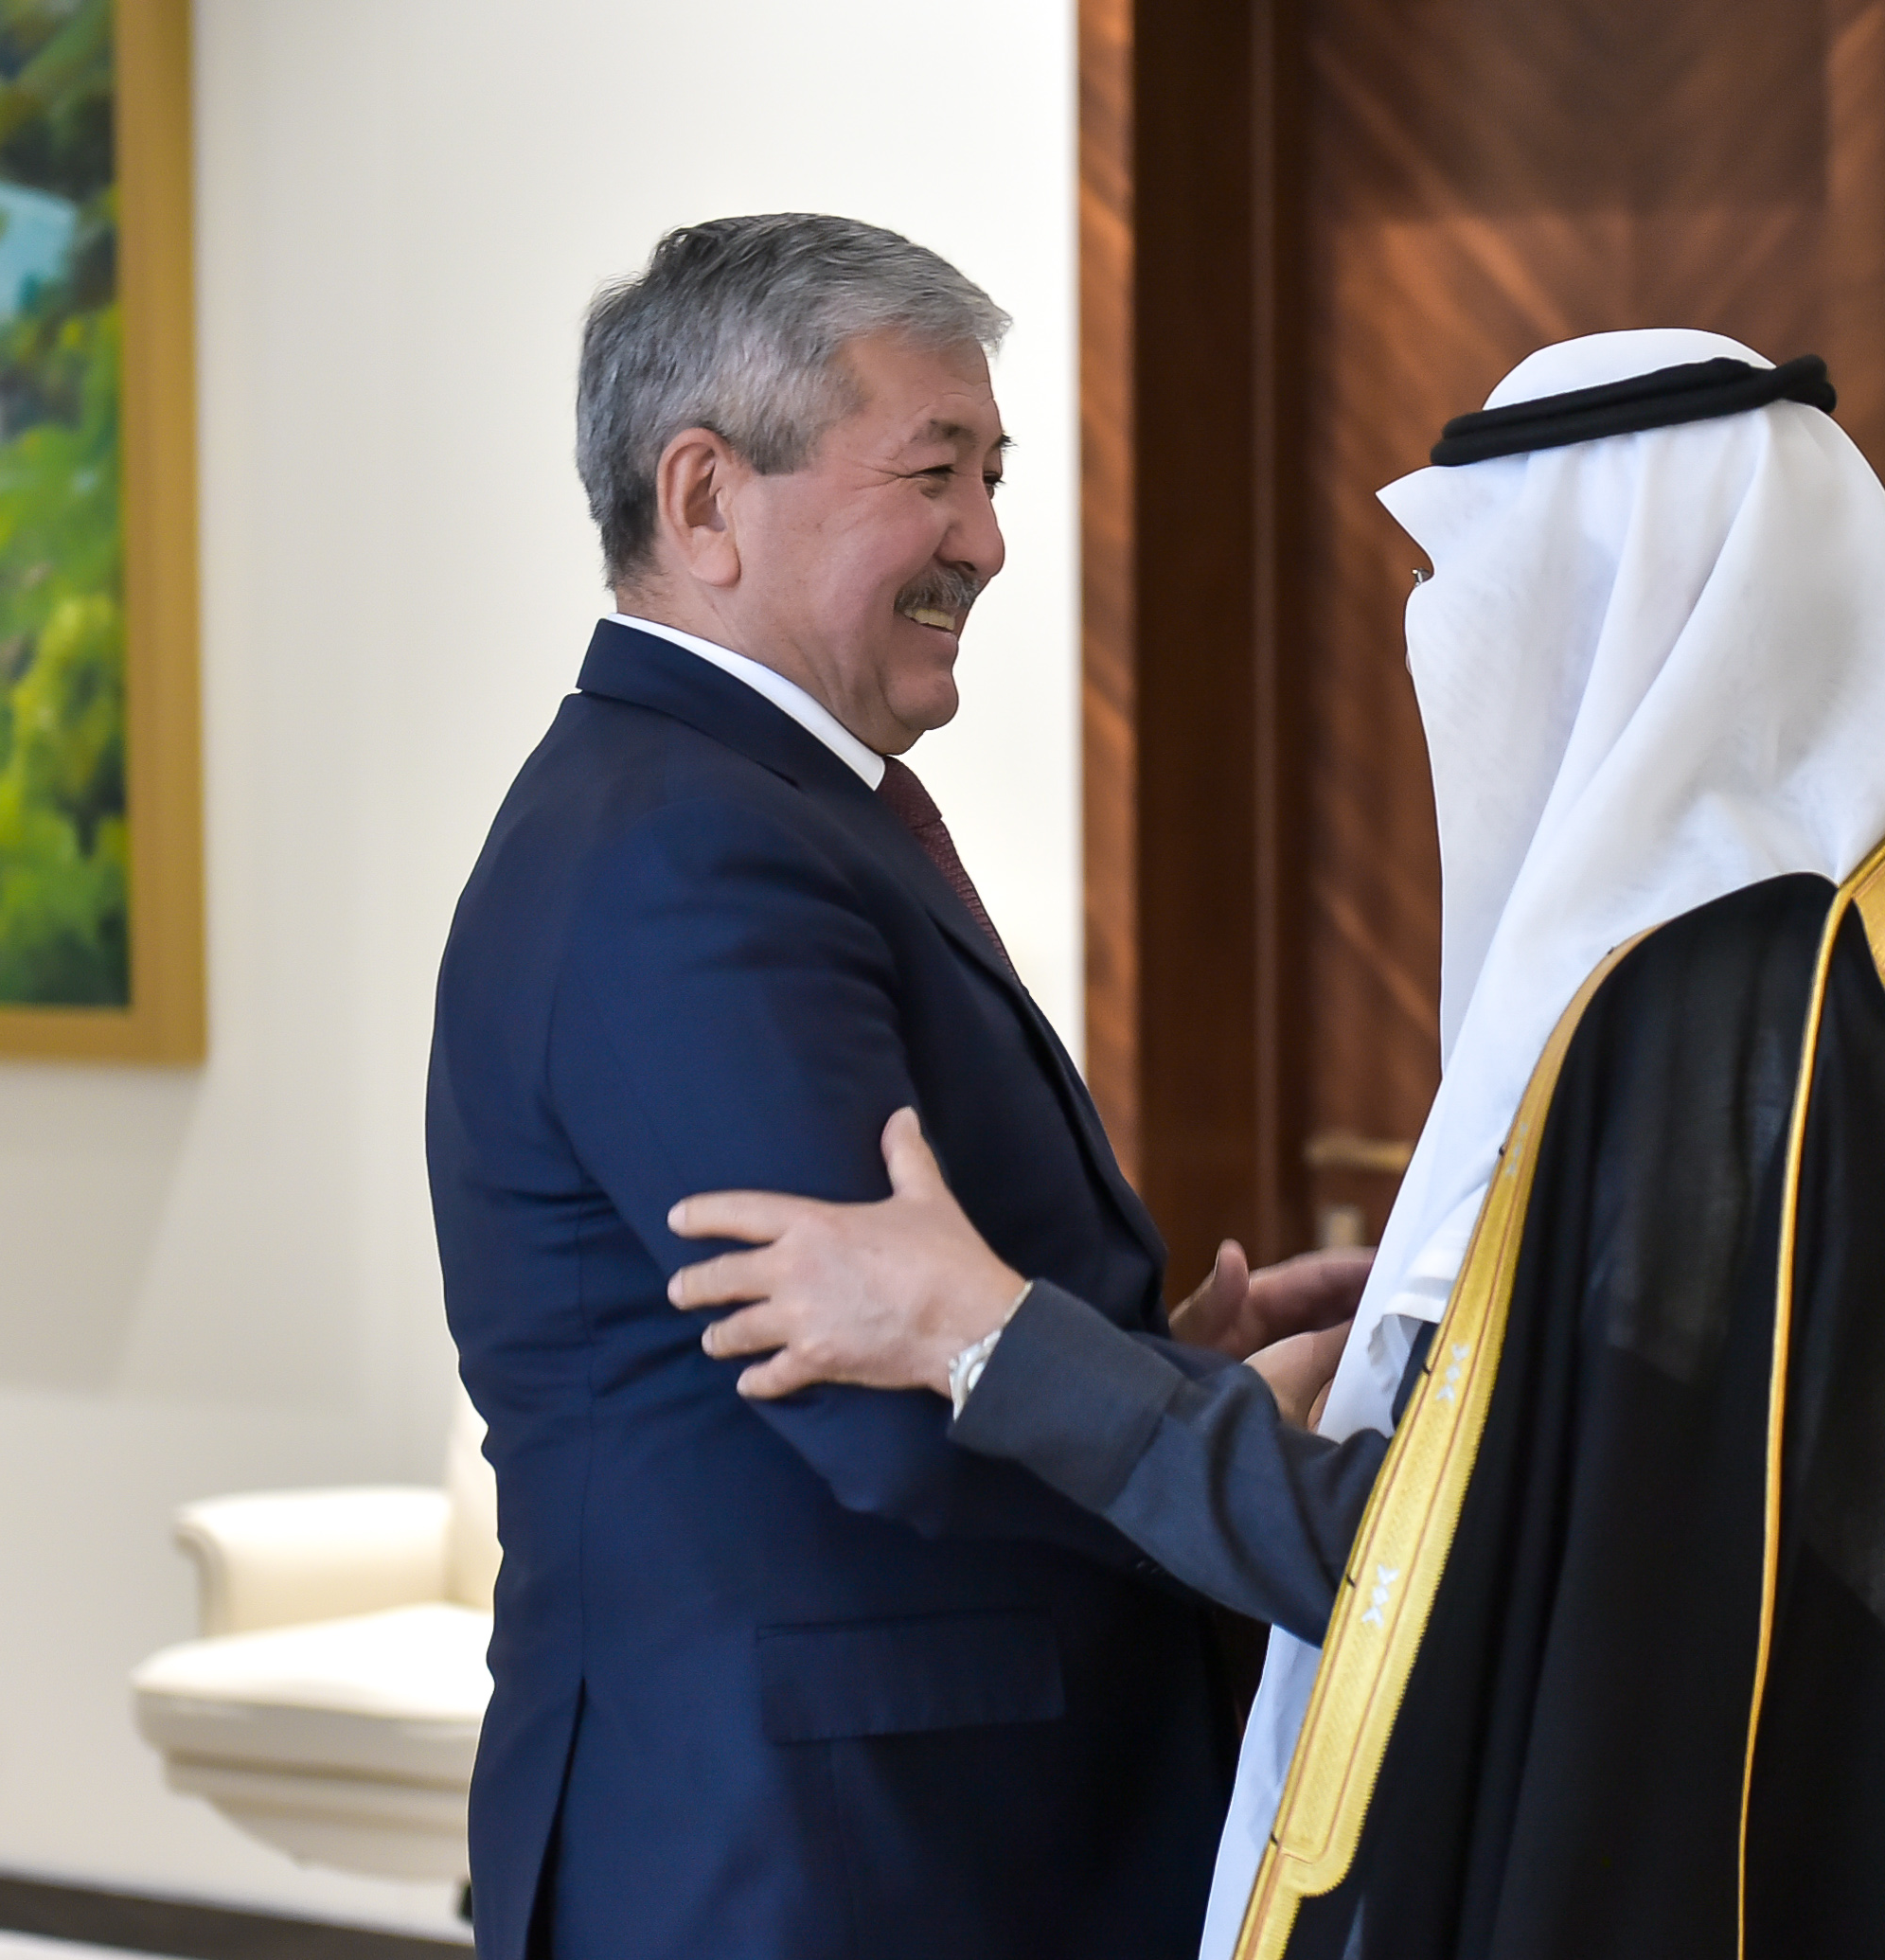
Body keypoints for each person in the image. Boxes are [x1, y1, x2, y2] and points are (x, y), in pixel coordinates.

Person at [666, 330, 1885, 1960]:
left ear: (1621, 609)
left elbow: (1453, 1571)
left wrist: (986, 1334)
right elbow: (1632, 1491)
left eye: (1492, 595)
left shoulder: (1697, 1003)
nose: (1444, 646)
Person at [425, 213, 1365, 1960]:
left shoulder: (749, 808)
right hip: (816, 1868)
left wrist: (1151, 1361)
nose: (986, 541)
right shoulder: (684, 853)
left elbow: (930, 1315)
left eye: (993, 477)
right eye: (933, 474)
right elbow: (881, 1392)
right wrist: (1214, 1422)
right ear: (703, 498)